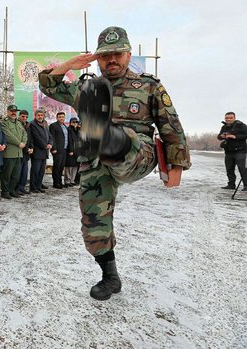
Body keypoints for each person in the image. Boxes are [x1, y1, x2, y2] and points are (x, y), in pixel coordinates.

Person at [38, 26, 191, 300]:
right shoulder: (85, 87)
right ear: (97, 59)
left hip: (137, 152)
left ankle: (108, 137)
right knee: (93, 226)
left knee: (121, 139)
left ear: (128, 54)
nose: (112, 59)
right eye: (105, 55)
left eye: (117, 54)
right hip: (95, 162)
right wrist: (71, 65)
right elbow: (48, 84)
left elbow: (171, 125)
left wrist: (176, 166)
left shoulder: (148, 86)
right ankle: (110, 277)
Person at [0, 105, 28, 199]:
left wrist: (23, 142)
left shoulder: (19, 123)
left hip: (19, 153)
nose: (13, 113)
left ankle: (12, 190)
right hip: (9, 153)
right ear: (7, 111)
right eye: (12, 111)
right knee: (6, 175)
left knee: (16, 175)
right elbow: (7, 135)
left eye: (15, 111)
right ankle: (5, 192)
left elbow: (24, 133)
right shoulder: (4, 122)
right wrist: (18, 143)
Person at [217, 112, 247, 190]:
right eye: (227, 118)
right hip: (228, 151)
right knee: (229, 169)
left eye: (230, 118)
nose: (228, 119)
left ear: (234, 118)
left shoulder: (241, 125)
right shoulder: (224, 127)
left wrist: (235, 136)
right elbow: (219, 137)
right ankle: (231, 185)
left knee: (242, 168)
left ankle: (246, 186)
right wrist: (221, 136)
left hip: (240, 151)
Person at [29, 109, 53, 193]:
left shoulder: (45, 123)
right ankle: (33, 187)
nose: (40, 116)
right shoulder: (32, 124)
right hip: (37, 151)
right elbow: (36, 137)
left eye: (41, 115)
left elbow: (50, 135)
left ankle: (39, 186)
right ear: (35, 116)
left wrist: (50, 143)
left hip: (45, 151)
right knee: (35, 170)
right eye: (38, 115)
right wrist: (45, 145)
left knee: (42, 171)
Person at [48, 112, 72, 189]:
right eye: (60, 117)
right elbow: (52, 138)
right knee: (57, 166)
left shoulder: (64, 126)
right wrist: (53, 148)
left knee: (61, 167)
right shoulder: (53, 126)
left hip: (64, 149)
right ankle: (56, 183)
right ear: (57, 118)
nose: (61, 118)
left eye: (63, 117)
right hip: (57, 150)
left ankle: (60, 182)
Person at [16, 110, 34, 195]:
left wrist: (31, 148)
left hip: (27, 152)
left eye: (26, 117)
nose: (24, 118)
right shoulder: (17, 124)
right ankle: (17, 188)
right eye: (23, 116)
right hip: (19, 150)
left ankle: (22, 187)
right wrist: (26, 149)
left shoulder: (28, 125)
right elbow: (20, 139)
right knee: (18, 172)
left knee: (24, 171)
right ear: (19, 116)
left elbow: (30, 138)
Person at [64, 117, 81, 187]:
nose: (75, 124)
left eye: (76, 122)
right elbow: (69, 141)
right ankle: (67, 180)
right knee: (69, 166)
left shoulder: (77, 130)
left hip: (77, 151)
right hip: (70, 150)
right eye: (73, 122)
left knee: (75, 166)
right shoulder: (69, 130)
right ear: (70, 122)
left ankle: (72, 180)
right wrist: (70, 150)